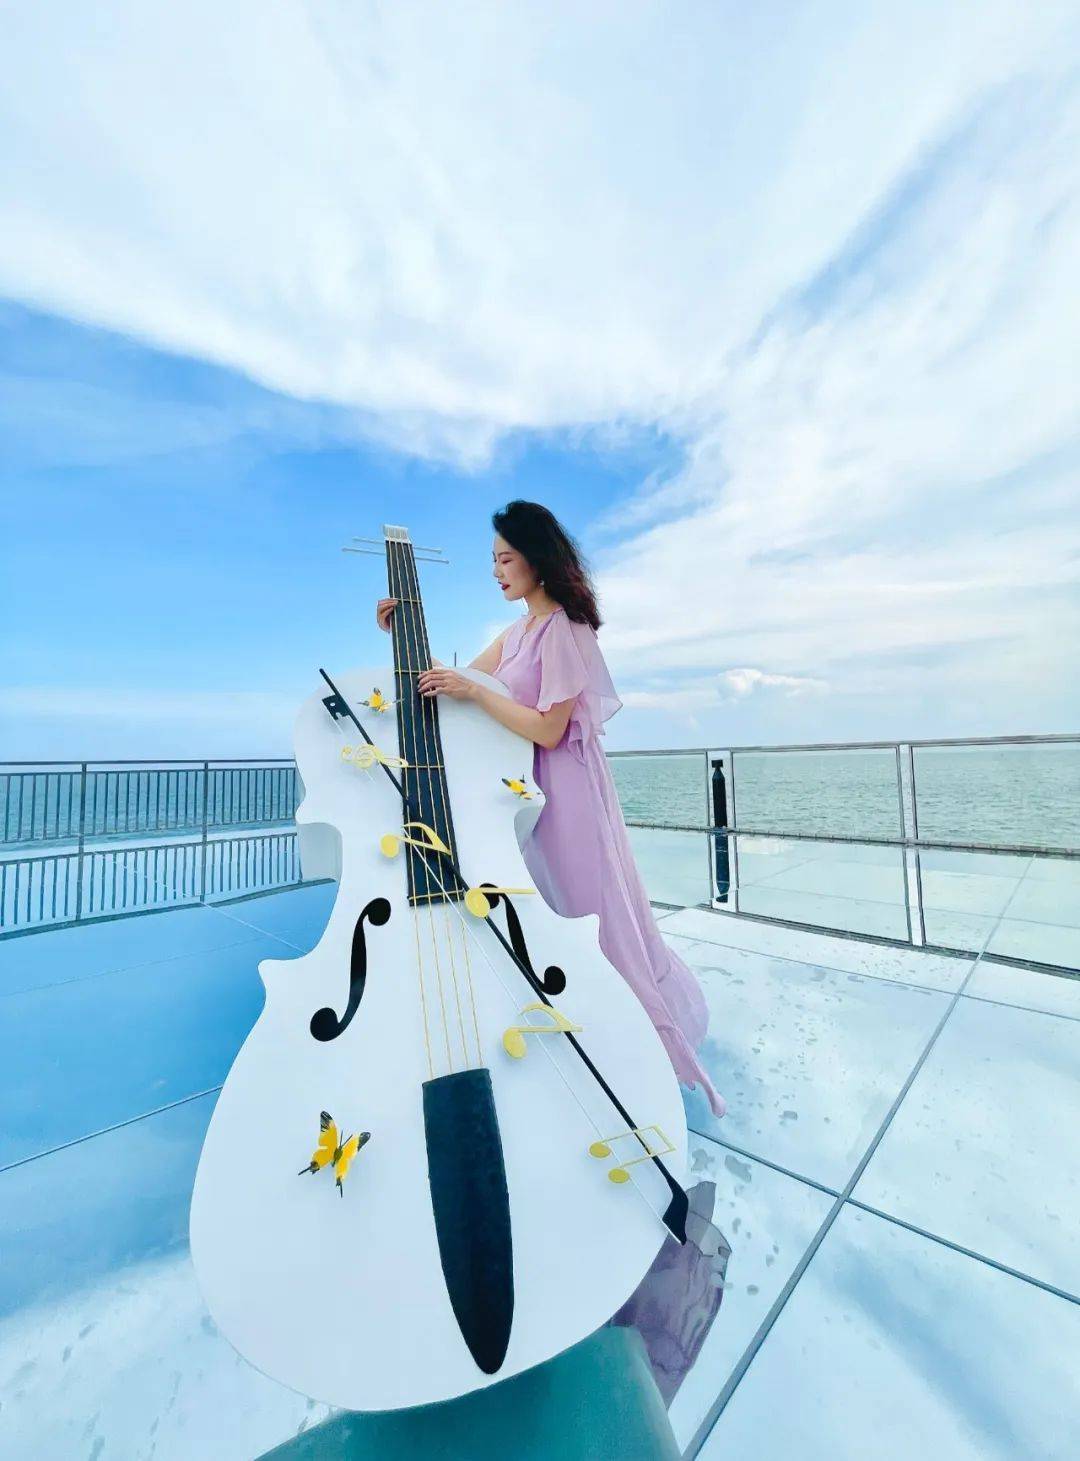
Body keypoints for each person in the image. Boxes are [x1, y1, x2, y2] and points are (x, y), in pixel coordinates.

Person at [376, 499, 725, 1117]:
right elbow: (454, 682)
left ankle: (634, 1050)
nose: (496, 571)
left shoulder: (564, 628)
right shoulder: (518, 632)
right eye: (493, 560)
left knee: (591, 914)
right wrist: (398, 633)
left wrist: (472, 694)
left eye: (506, 559)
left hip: (568, 795)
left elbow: (547, 728)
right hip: (527, 792)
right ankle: (581, 1033)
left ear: (537, 560)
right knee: (551, 914)